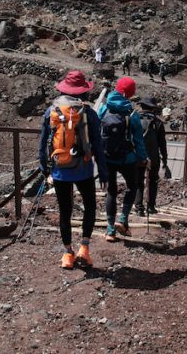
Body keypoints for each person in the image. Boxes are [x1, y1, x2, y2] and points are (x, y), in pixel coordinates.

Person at [38, 70, 107, 269]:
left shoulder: (51, 111)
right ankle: (84, 248)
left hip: (59, 170)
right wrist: (103, 171)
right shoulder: (89, 113)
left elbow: (43, 143)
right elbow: (98, 145)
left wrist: (45, 168)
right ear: (83, 90)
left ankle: (68, 253)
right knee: (90, 207)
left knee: (65, 211)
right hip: (83, 169)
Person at [97, 77, 148, 242]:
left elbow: (96, 130)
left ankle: (110, 230)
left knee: (111, 192)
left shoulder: (104, 109)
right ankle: (123, 219)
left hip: (107, 157)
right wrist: (143, 158)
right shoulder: (131, 114)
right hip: (127, 159)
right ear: (130, 93)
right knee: (132, 187)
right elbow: (139, 140)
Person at [134, 96, 169, 216]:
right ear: (153, 108)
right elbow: (162, 144)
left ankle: (138, 207)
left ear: (142, 106)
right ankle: (151, 206)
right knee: (152, 181)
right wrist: (165, 159)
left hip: (137, 156)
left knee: (138, 181)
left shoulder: (135, 119)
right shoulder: (157, 122)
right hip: (153, 157)